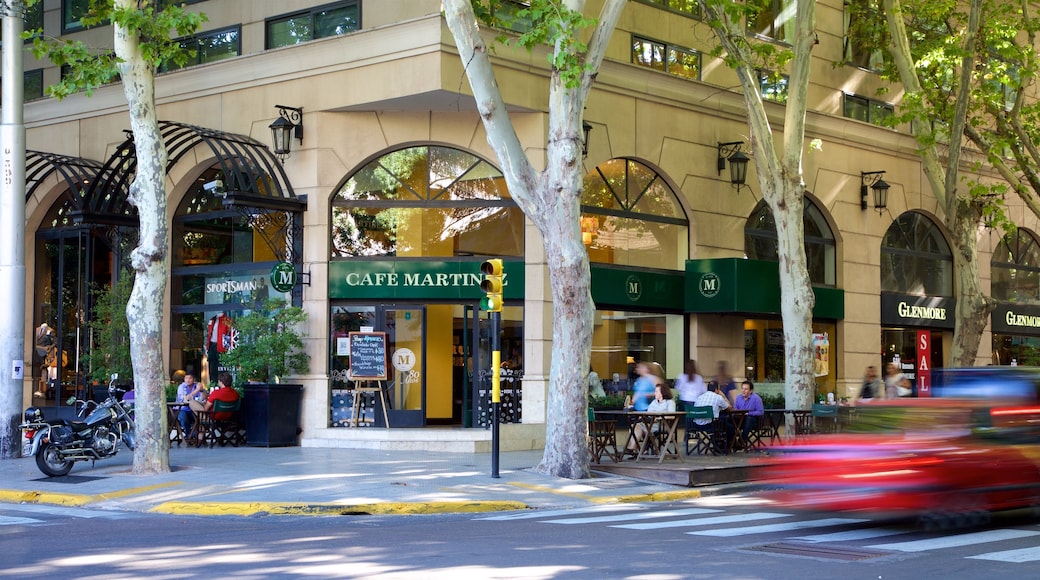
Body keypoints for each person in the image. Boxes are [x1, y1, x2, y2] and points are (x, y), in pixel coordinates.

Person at [627, 383, 675, 453]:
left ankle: (634, 449)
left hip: (661, 425)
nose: (654, 393)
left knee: (637, 426)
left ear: (662, 392)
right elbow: (648, 413)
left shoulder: (670, 402)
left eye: (656, 391)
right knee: (634, 426)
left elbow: (672, 416)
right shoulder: (654, 402)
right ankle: (633, 448)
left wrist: (659, 418)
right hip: (650, 424)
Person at [732, 380, 764, 447]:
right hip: (740, 419)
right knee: (728, 419)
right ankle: (731, 442)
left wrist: (748, 413)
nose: (743, 391)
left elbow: (760, 412)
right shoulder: (738, 397)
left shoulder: (756, 398)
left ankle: (741, 442)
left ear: (751, 391)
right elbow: (735, 408)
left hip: (753, 421)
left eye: (746, 389)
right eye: (742, 388)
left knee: (748, 419)